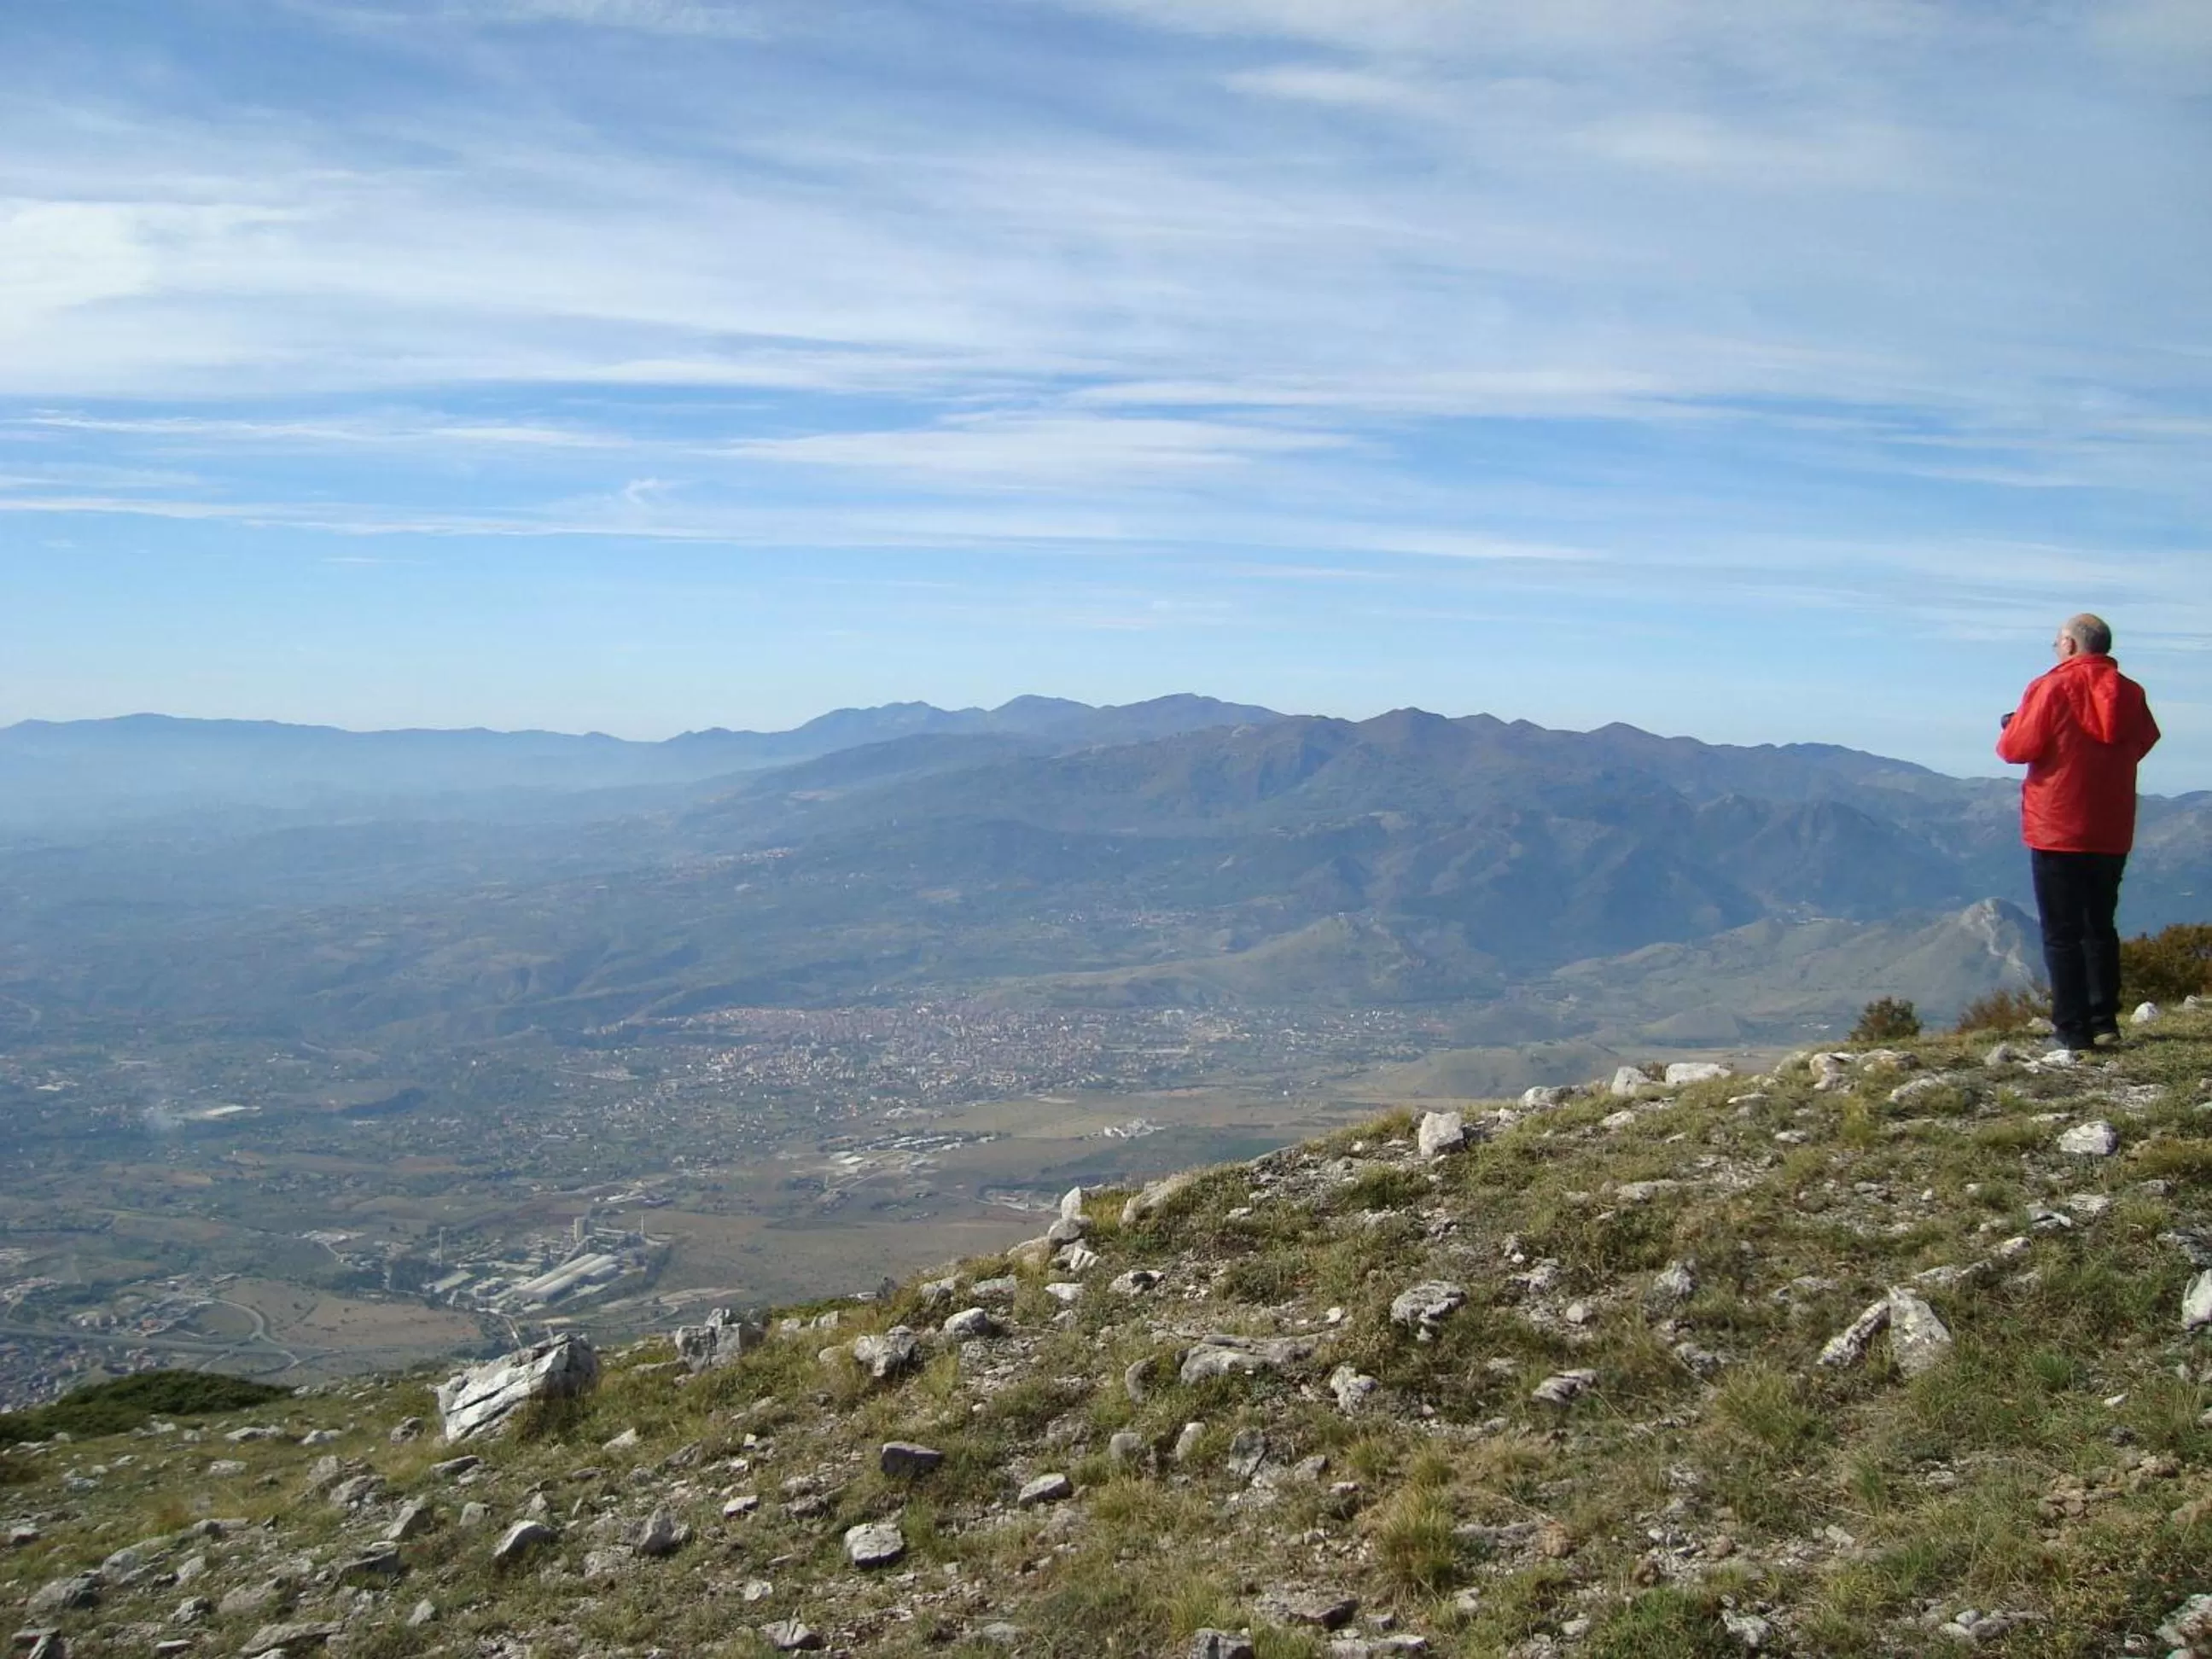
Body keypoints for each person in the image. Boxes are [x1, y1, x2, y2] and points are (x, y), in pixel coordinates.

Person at [1997, 614, 2160, 1055]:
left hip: (2057, 825)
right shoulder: (2130, 693)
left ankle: (2071, 1030)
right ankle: (2104, 1021)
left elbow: (2016, 748)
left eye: (2056, 641)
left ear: (2070, 644)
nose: (2055, 647)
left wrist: (2013, 724)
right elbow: (2145, 739)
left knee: (2061, 932)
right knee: (2099, 926)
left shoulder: (2050, 688)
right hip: (2110, 825)